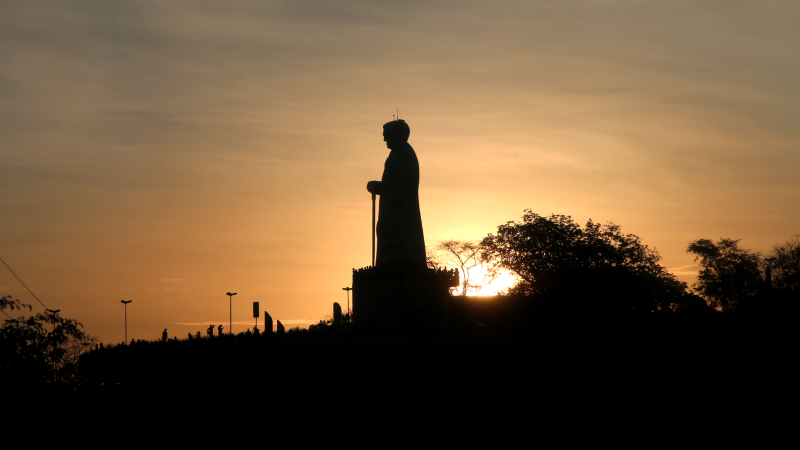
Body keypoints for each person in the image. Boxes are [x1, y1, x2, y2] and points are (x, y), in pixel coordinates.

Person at [366, 119, 427, 269]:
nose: (384, 139)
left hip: (400, 216)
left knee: (398, 250)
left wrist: (381, 189)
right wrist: (380, 187)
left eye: (387, 135)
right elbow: (394, 185)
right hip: (396, 214)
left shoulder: (403, 155)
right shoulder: (399, 154)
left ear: (397, 135)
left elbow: (400, 187)